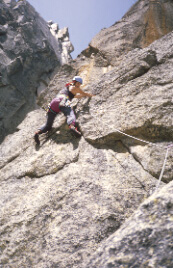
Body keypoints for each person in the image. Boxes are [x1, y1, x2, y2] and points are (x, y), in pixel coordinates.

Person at [34, 76, 94, 145]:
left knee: (48, 125)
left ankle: (38, 132)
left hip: (54, 103)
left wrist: (81, 95)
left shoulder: (66, 89)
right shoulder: (74, 87)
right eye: (79, 83)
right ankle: (72, 126)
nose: (79, 85)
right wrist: (90, 95)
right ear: (76, 83)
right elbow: (83, 93)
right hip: (63, 100)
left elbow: (75, 96)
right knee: (70, 114)